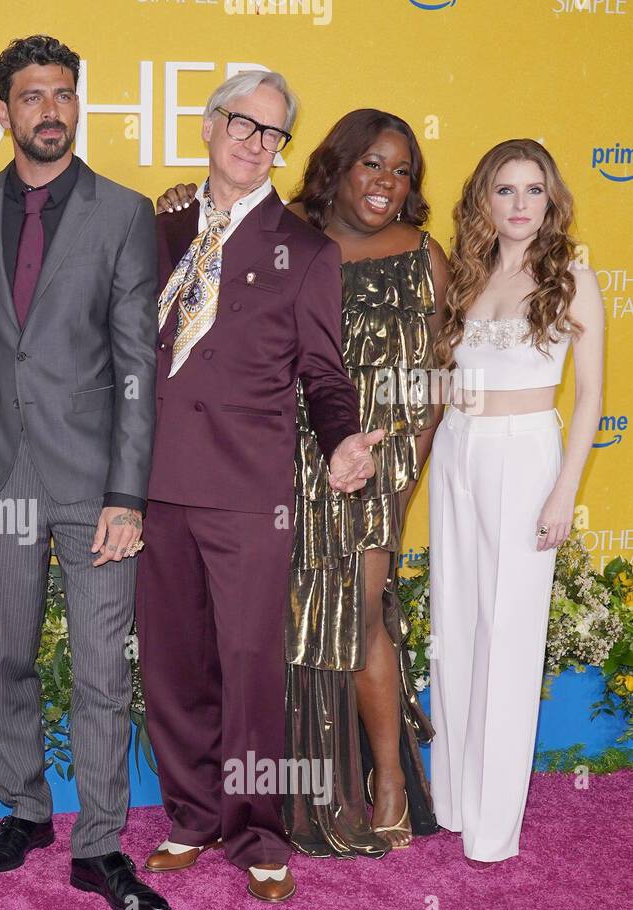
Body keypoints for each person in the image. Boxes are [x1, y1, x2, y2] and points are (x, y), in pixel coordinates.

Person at [157, 108, 449, 857]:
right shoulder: (283, 230)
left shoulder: (422, 252)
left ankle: (386, 782)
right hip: (279, 456)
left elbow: (434, 375)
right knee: (285, 631)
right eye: (372, 164)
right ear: (338, 165)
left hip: (371, 457)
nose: (386, 182)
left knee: (358, 617)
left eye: (401, 170)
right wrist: (176, 206)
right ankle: (304, 798)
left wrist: (403, 469)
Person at [138, 70, 380, 904]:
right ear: (210, 126)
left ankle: (257, 830)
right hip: (153, 482)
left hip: (248, 491)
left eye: (274, 134)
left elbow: (323, 371)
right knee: (171, 666)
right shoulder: (157, 224)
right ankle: (190, 816)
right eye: (243, 123)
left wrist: (343, 437)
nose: (255, 142)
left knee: (248, 669)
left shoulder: (306, 250)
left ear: (282, 149)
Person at [0, 35, 169, 910]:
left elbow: (136, 362)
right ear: (3, 111)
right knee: (8, 656)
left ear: (79, 105)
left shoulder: (123, 210)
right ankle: (25, 812)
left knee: (102, 670)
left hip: (94, 480)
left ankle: (102, 844)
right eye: (32, 95)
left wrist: (128, 493)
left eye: (64, 94)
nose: (50, 109)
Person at [429, 139, 603, 866]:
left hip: (526, 453)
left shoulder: (572, 277)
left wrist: (564, 487)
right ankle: (454, 801)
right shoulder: (465, 275)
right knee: (456, 621)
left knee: (509, 632)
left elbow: (591, 394)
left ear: (552, 199)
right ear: (485, 200)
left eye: (534, 190)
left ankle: (494, 826)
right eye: (506, 190)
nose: (521, 204)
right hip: (457, 450)